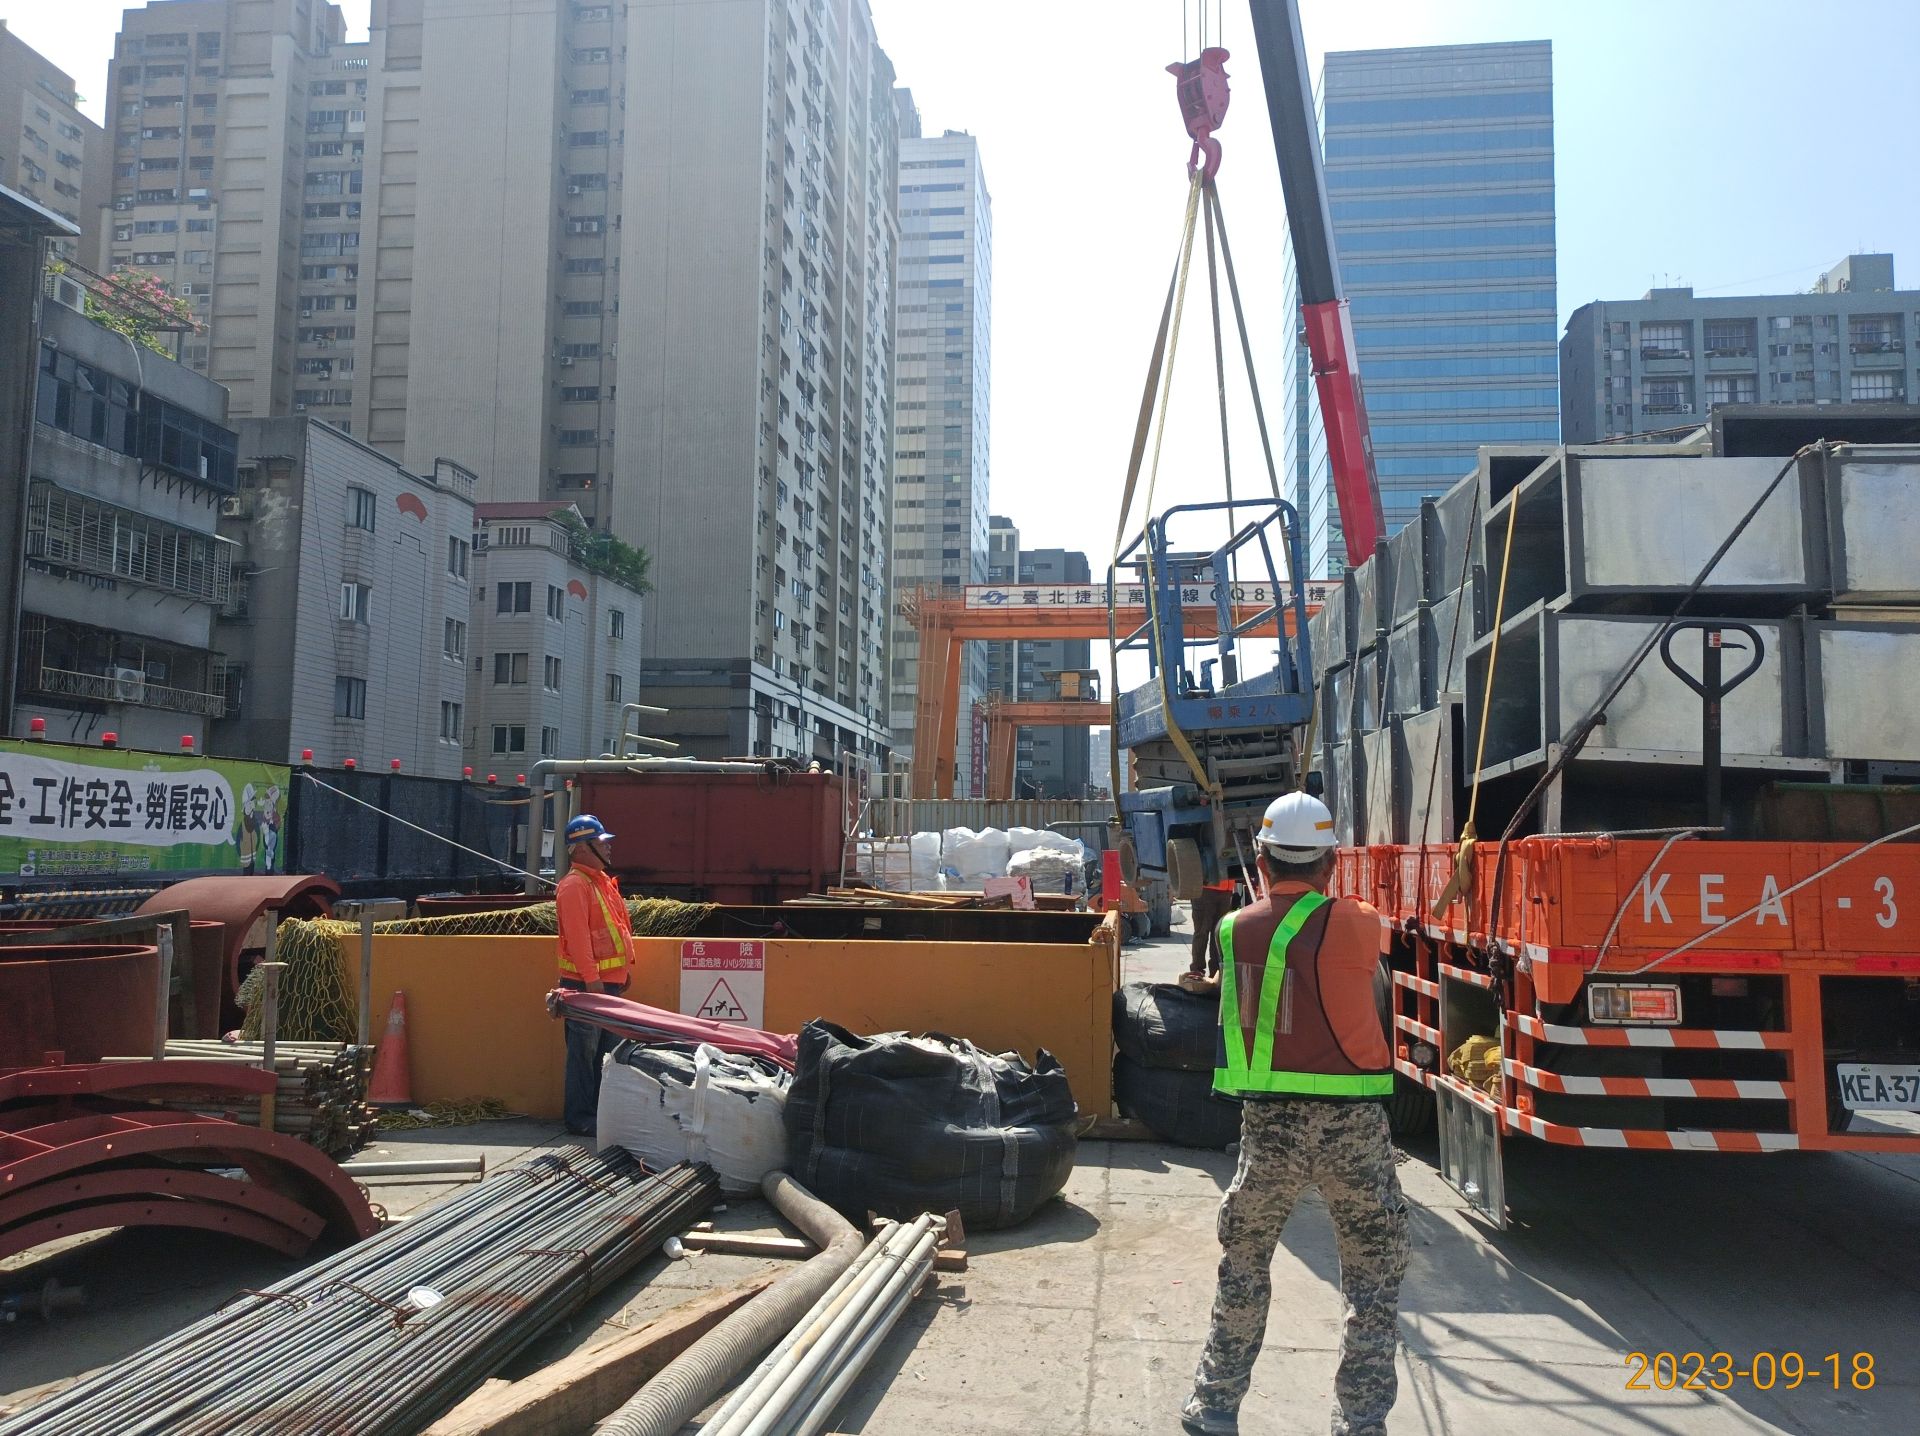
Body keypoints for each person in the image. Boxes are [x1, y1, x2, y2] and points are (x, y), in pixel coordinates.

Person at [1181, 791, 1411, 1436]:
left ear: (1261, 855)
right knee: (1372, 1277)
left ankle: (1214, 1406)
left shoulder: (1232, 930)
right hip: (1353, 1130)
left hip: (1269, 1131)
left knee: (1244, 1266)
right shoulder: (1359, 922)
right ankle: (1360, 1422)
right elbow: (1370, 945)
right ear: (1331, 862)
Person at [554, 813, 633, 1134]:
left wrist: (622, 972)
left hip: (604, 986)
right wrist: (593, 981)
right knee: (584, 1056)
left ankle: (598, 1116)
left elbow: (615, 933)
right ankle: (580, 1117)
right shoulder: (575, 886)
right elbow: (578, 938)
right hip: (587, 986)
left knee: (605, 1056)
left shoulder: (598, 884)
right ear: (582, 848)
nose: (609, 848)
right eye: (602, 842)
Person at [1189, 874, 1238, 978]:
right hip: (1205, 888)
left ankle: (1216, 971)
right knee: (1202, 931)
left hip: (1226, 890)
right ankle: (1197, 970)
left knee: (1218, 933)